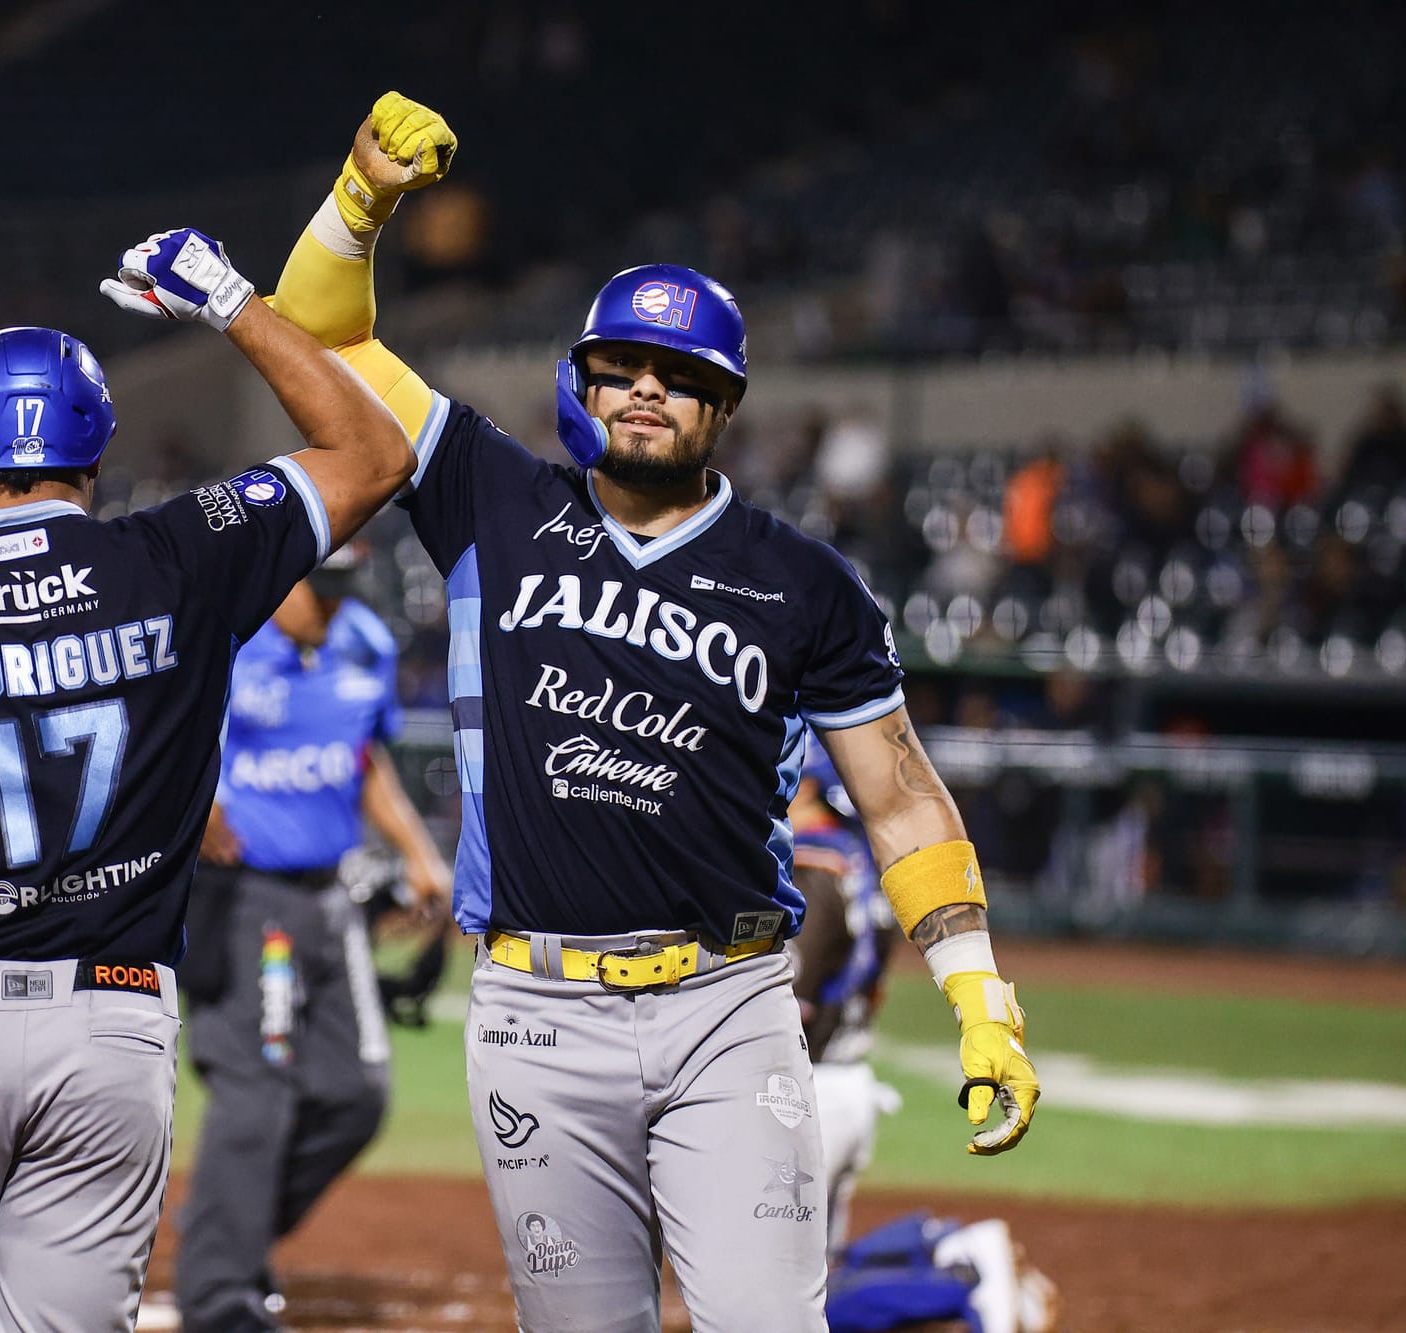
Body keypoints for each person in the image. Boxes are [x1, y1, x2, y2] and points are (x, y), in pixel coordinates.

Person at [269, 92, 1042, 1331]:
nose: (641, 391)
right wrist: (361, 200)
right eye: (616, 368)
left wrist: (978, 995)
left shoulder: (804, 584)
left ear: (721, 406)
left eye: (677, 377)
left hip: (727, 1008)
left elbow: (896, 795)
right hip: (531, 1010)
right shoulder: (487, 492)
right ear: (578, 382)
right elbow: (314, 331)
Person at [0, 224, 419, 1332]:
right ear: (92, 445)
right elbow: (376, 451)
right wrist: (228, 298)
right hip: (114, 1028)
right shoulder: (182, 554)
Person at [176, 541, 452, 1332]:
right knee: (256, 1098)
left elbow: (365, 759)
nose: (328, 605)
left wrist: (418, 851)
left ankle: (229, 1237)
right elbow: (157, 743)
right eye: (314, 590)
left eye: (339, 589)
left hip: (332, 897)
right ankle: (220, 1300)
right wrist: (194, 810)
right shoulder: (223, 645)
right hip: (247, 901)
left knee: (357, 1094)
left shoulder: (364, 638)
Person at [787, 732, 899, 1259]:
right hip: (852, 1079)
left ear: (804, 783)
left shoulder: (811, 866)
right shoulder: (861, 859)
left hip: (807, 1095)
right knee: (815, 1285)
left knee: (761, 1273)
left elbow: (791, 999)